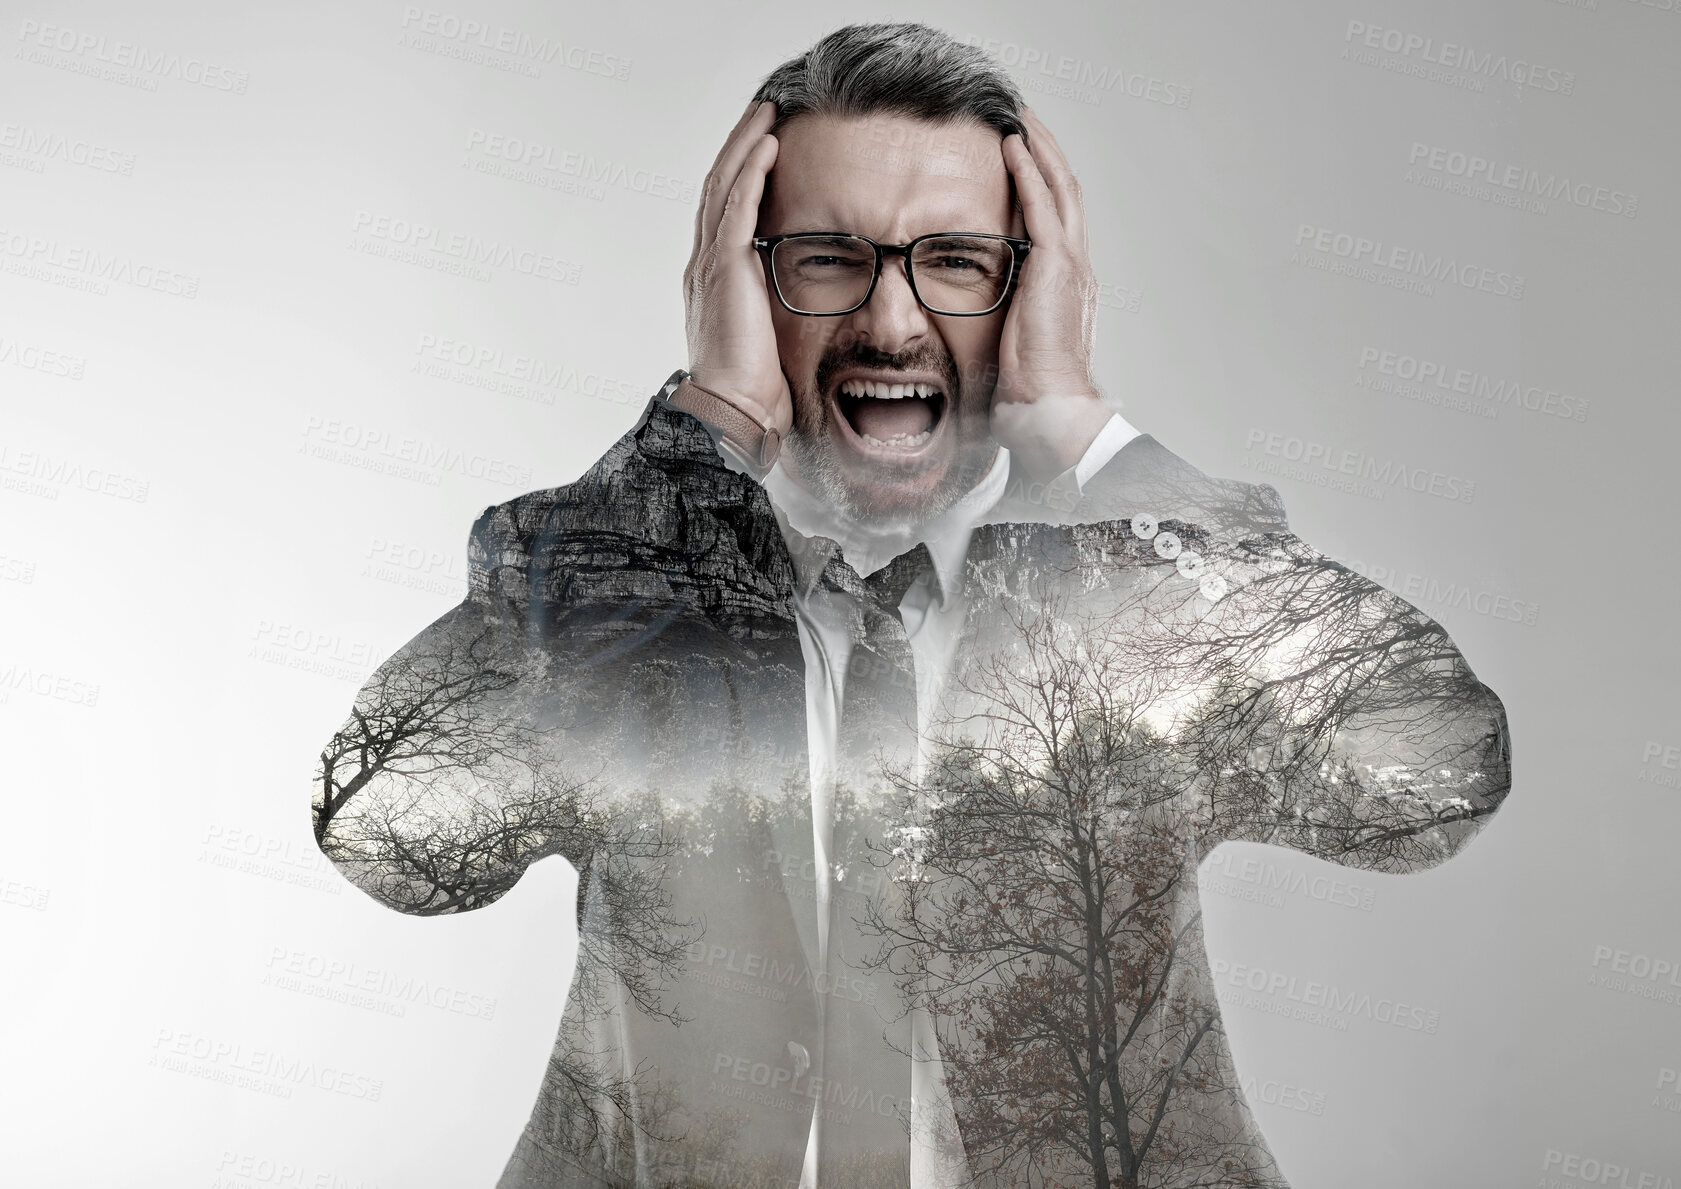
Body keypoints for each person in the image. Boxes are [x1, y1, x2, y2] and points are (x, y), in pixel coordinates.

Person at [313, 23, 1511, 1189]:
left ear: (1035, 290)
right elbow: (394, 834)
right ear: (739, 283)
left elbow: (1433, 771)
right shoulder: (630, 591)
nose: (891, 324)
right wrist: (702, 433)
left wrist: (1080, 437)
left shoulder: (1136, 602)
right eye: (828, 257)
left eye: (955, 262)